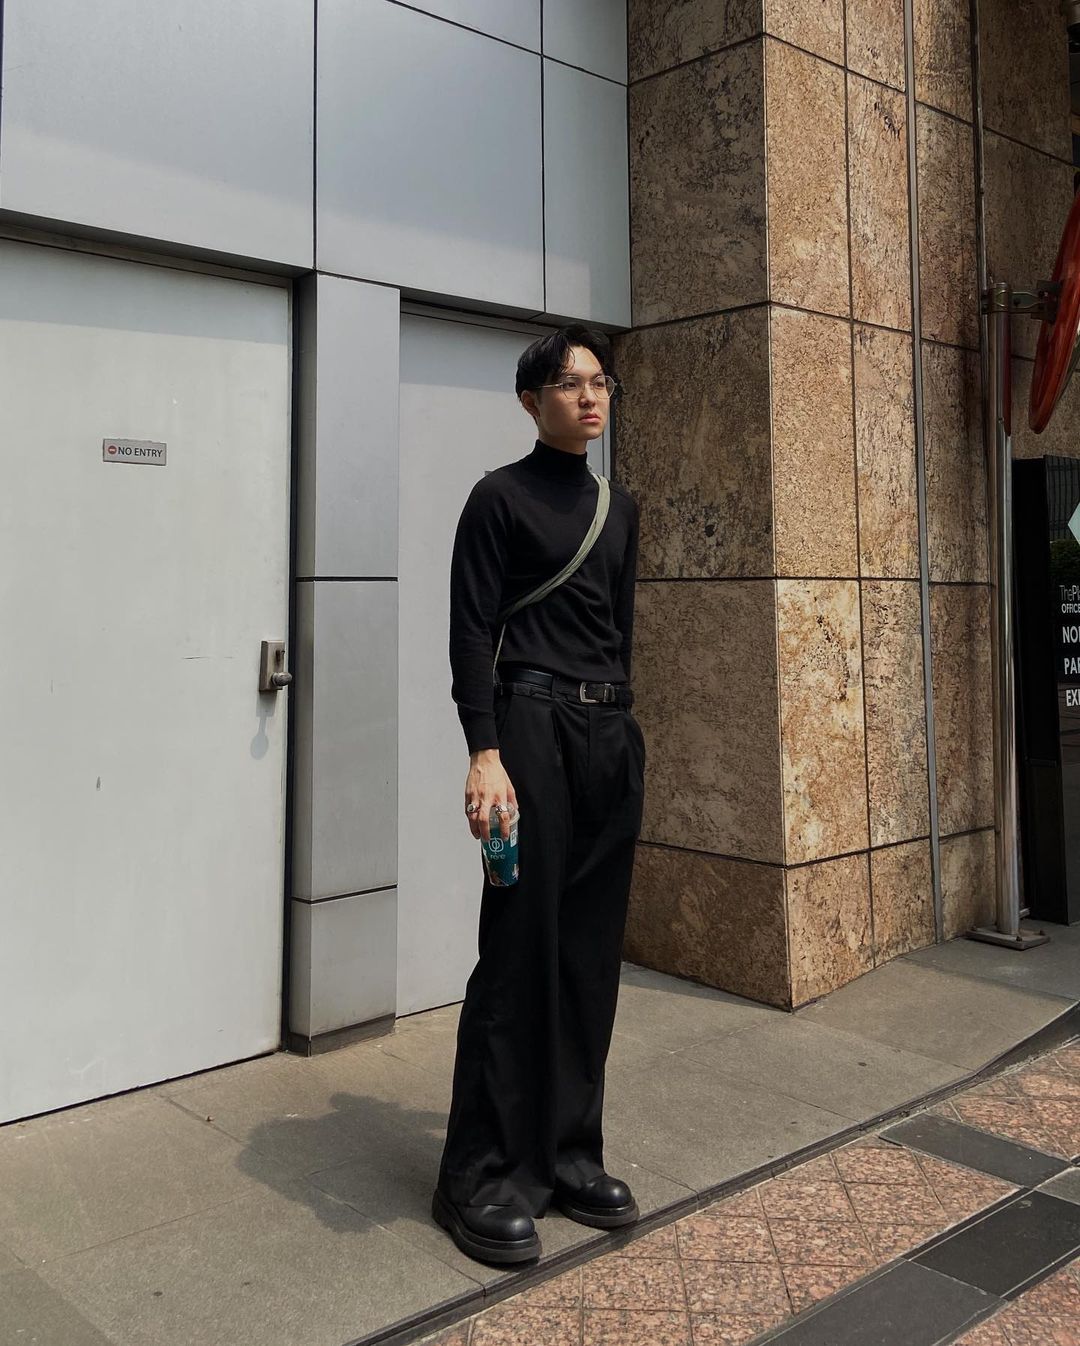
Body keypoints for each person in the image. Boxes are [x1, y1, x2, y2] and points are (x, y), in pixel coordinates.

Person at [431, 324, 646, 1266]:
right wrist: (484, 753)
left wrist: (621, 737)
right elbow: (471, 631)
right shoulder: (498, 498)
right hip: (527, 725)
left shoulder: (618, 507)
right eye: (569, 384)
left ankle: (567, 1155)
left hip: (607, 734)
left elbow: (619, 631)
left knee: (589, 957)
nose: (590, 397)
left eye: (600, 382)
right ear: (531, 401)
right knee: (518, 950)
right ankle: (478, 1175)